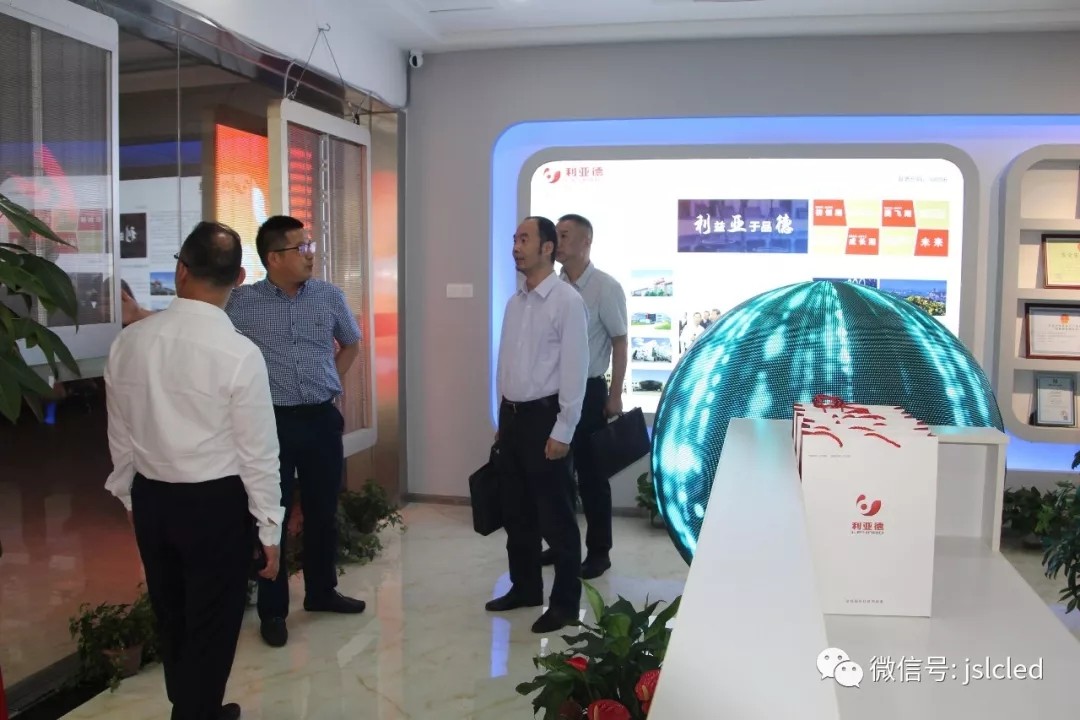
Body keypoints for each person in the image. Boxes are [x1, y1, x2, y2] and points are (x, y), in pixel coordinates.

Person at [104, 221, 283, 720]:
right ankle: (195, 712)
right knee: (213, 621)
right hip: (215, 505)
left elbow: (119, 433)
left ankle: (190, 705)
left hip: (153, 499)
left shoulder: (130, 342)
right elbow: (257, 453)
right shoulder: (240, 354)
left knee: (172, 613)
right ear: (240, 278)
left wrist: (129, 497)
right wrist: (269, 527)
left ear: (181, 271)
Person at [225, 215, 365, 649]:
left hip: (321, 418)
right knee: (273, 514)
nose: (310, 255)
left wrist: (331, 380)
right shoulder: (241, 304)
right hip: (272, 423)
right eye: (300, 248)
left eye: (310, 246)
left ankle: (322, 591)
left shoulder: (328, 296)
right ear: (273, 258)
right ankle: (273, 611)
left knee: (323, 510)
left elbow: (351, 342)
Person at [488, 215, 589, 634]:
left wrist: (563, 429)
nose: (516, 247)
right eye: (515, 239)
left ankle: (564, 603)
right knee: (517, 513)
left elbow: (575, 370)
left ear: (548, 248)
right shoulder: (516, 303)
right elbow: (506, 364)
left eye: (525, 239)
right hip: (513, 419)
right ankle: (525, 587)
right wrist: (502, 417)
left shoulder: (566, 301)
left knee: (556, 517)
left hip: (545, 419)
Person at [546, 213, 628, 579]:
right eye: (556, 235)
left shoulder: (605, 287)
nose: (558, 242)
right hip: (554, 391)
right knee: (555, 475)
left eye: (565, 235)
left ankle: (599, 552)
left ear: (586, 241)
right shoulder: (553, 286)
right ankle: (562, 544)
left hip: (590, 390)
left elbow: (620, 341)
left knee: (593, 477)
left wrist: (614, 394)